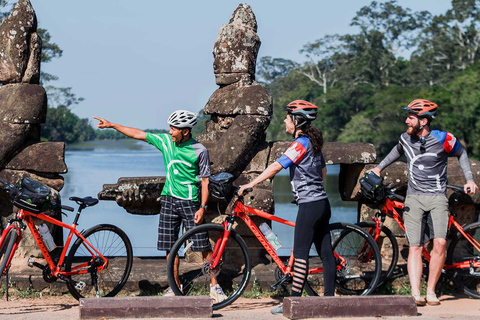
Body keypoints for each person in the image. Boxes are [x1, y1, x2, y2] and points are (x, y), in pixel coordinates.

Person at [93, 110, 227, 302]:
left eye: (174, 129)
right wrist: (113, 125)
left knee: (203, 246)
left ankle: (215, 287)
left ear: (185, 131)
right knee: (170, 248)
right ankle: (175, 286)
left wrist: (202, 208)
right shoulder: (165, 142)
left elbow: (205, 181)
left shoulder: (199, 150)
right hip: (168, 200)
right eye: (170, 128)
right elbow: (138, 134)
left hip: (190, 202)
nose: (170, 132)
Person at [370, 99, 478, 306]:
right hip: (414, 198)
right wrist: (379, 168)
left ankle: (431, 292)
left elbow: (462, 153)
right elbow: (396, 151)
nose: (406, 121)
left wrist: (469, 179)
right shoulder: (405, 138)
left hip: (437, 197)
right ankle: (415, 293)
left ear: (424, 120)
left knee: (440, 243)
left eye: (410, 118)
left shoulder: (443, 139)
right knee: (416, 246)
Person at [238, 100, 336, 315]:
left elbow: (275, 166)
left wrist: (250, 184)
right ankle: (329, 301)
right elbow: (323, 173)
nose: (284, 120)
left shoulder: (300, 143)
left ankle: (293, 302)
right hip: (321, 202)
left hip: (310, 205)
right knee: (326, 254)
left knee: (300, 253)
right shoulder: (314, 143)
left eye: (287, 116)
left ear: (297, 120)